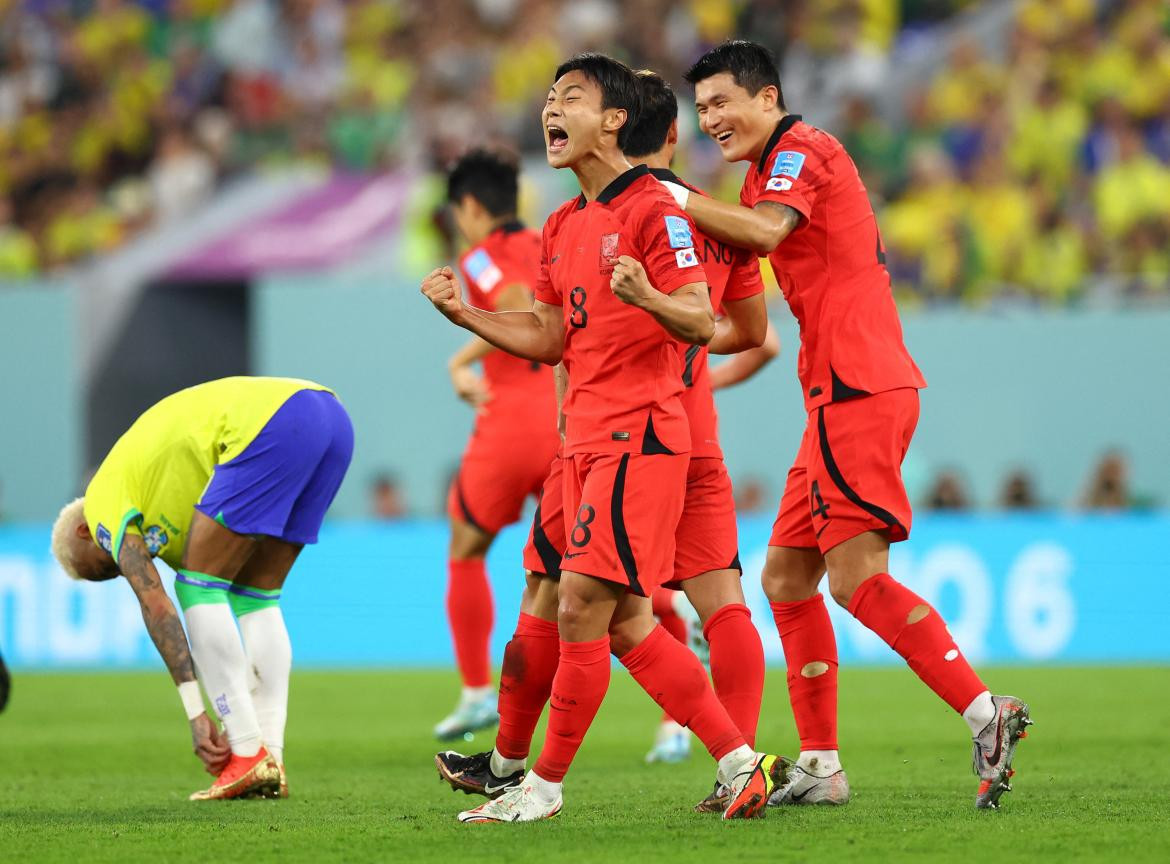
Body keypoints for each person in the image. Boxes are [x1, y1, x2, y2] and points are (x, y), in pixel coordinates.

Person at [421, 53, 781, 823]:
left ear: (613, 121)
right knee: (605, 616)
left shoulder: (656, 207)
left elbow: (699, 315)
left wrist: (647, 294)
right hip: (577, 443)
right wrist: (467, 319)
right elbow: (549, 333)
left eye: (570, 97)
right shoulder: (561, 223)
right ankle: (740, 762)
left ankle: (538, 788)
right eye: (549, 98)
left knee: (588, 608)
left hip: (638, 436)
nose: (550, 110)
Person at [673, 40, 1031, 810]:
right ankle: (822, 765)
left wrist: (661, 195)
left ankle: (984, 712)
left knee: (857, 580)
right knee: (786, 576)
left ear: (768, 98)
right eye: (701, 109)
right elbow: (754, 284)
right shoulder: (766, 170)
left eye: (723, 102)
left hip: (857, 385)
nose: (712, 120)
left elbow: (765, 234)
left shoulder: (802, 149)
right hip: (839, 392)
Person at [50, 377, 353, 801]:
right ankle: (270, 759)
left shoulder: (102, 500)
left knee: (195, 587)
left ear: (86, 531)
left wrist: (196, 712)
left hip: (273, 421)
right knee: (256, 594)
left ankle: (247, 753)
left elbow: (157, 605)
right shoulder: (156, 507)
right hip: (332, 418)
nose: (124, 569)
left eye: (107, 566)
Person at [434, 148, 559, 741]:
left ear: (472, 206)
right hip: (569, 419)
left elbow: (512, 303)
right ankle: (672, 722)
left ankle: (478, 693)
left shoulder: (480, 256)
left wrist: (460, 359)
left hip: (511, 423)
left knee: (466, 544)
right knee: (599, 564)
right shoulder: (550, 241)